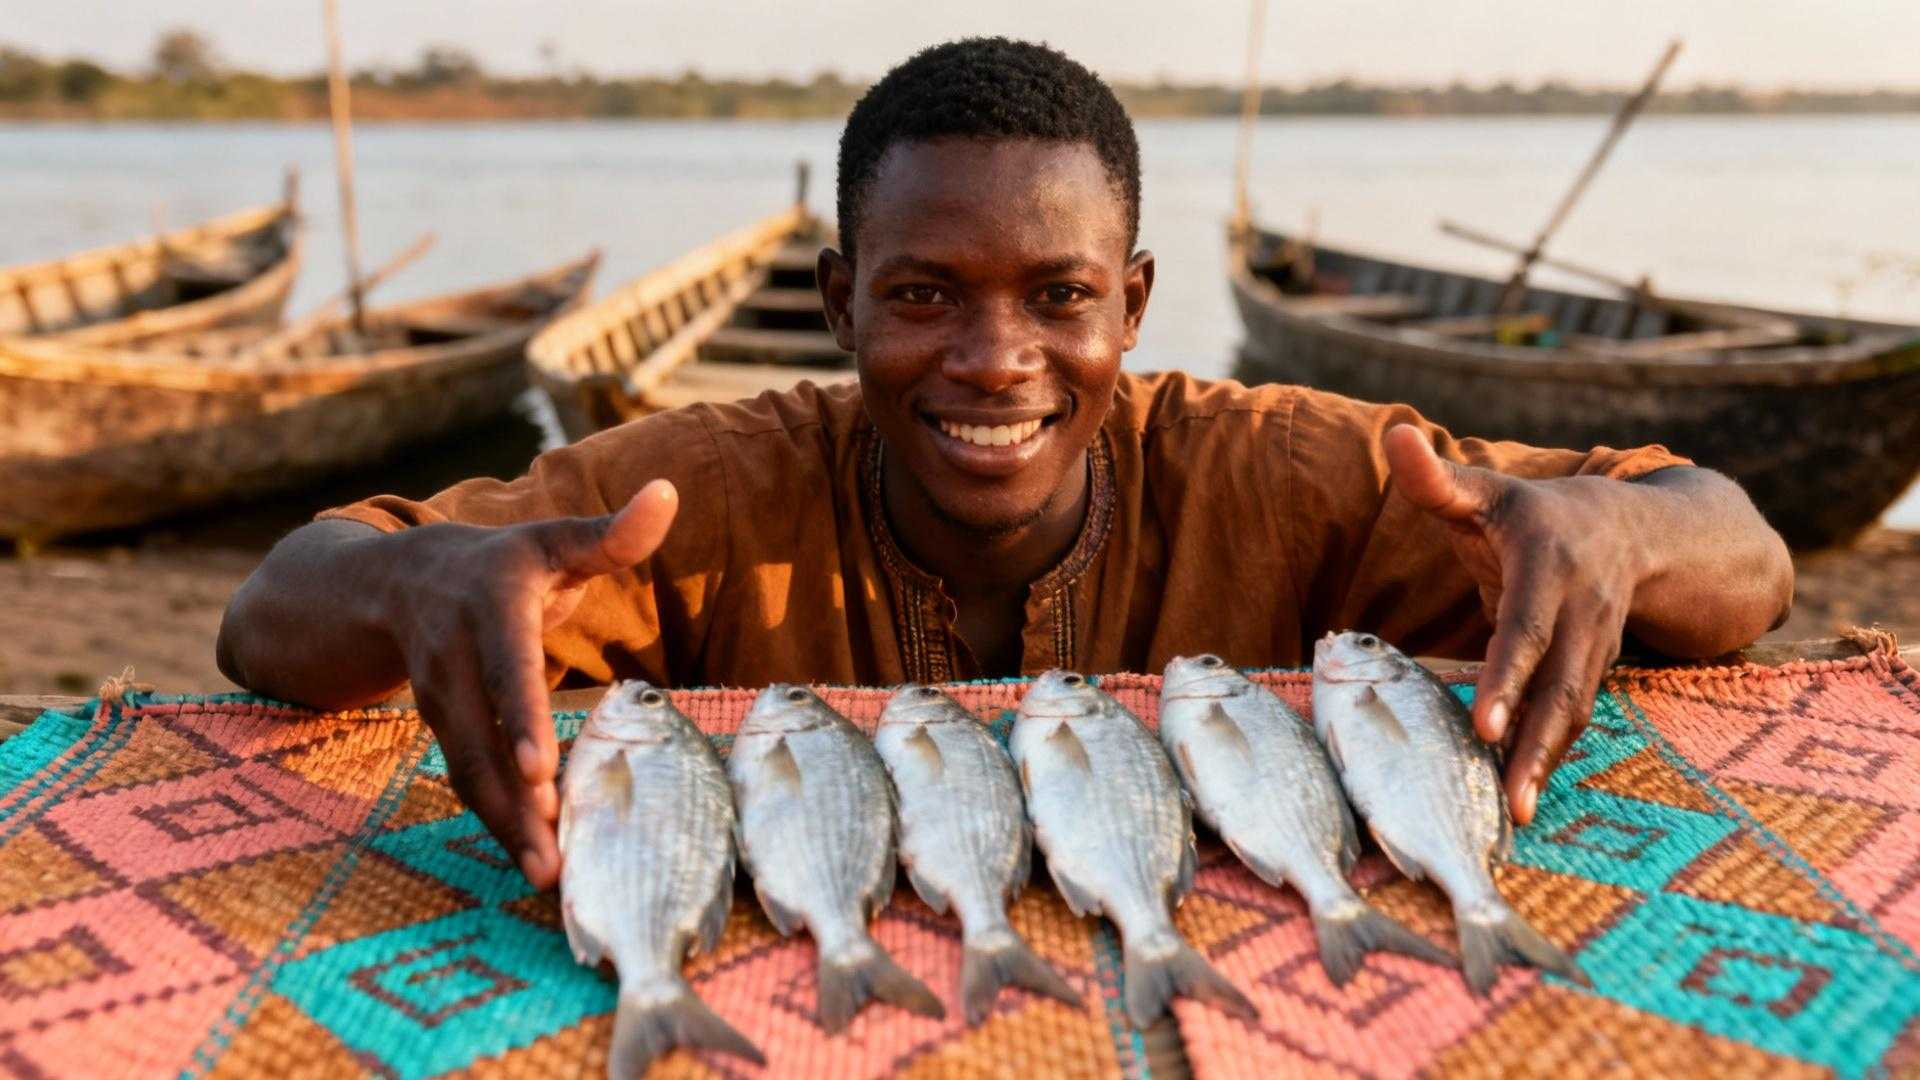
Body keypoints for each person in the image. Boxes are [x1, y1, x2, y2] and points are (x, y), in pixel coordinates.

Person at [217, 38, 1792, 890]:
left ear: (1137, 306)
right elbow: (276, 611)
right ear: (836, 304)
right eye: (920, 297)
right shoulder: (701, 491)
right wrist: (421, 577)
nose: (992, 362)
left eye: (1059, 298)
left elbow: (1738, 549)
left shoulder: (1292, 467)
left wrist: (1608, 531)